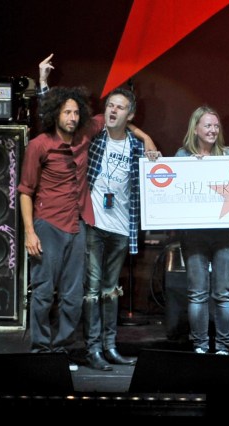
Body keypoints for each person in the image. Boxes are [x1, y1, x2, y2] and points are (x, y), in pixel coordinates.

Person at [19, 54, 157, 371]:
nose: (71, 116)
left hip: (86, 226)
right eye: (66, 112)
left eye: (75, 112)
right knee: (47, 293)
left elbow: (118, 119)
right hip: (55, 225)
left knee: (75, 296)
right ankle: (43, 351)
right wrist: (42, 82)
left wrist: (145, 135)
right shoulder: (44, 143)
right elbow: (25, 189)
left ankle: (67, 349)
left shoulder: (88, 135)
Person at [83, 87, 154, 370]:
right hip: (94, 224)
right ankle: (93, 349)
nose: (113, 111)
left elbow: (157, 179)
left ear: (131, 114)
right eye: (110, 105)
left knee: (111, 290)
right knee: (91, 289)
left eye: (120, 107)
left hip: (122, 227)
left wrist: (147, 140)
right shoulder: (94, 139)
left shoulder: (137, 147)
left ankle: (110, 346)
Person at [175, 105, 229, 355]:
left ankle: (223, 347)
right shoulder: (182, 156)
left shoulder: (228, 154)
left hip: (223, 234)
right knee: (198, 293)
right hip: (194, 234)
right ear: (196, 129)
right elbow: (171, 187)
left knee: (224, 293)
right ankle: (200, 346)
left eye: (215, 125)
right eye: (207, 125)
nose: (212, 130)